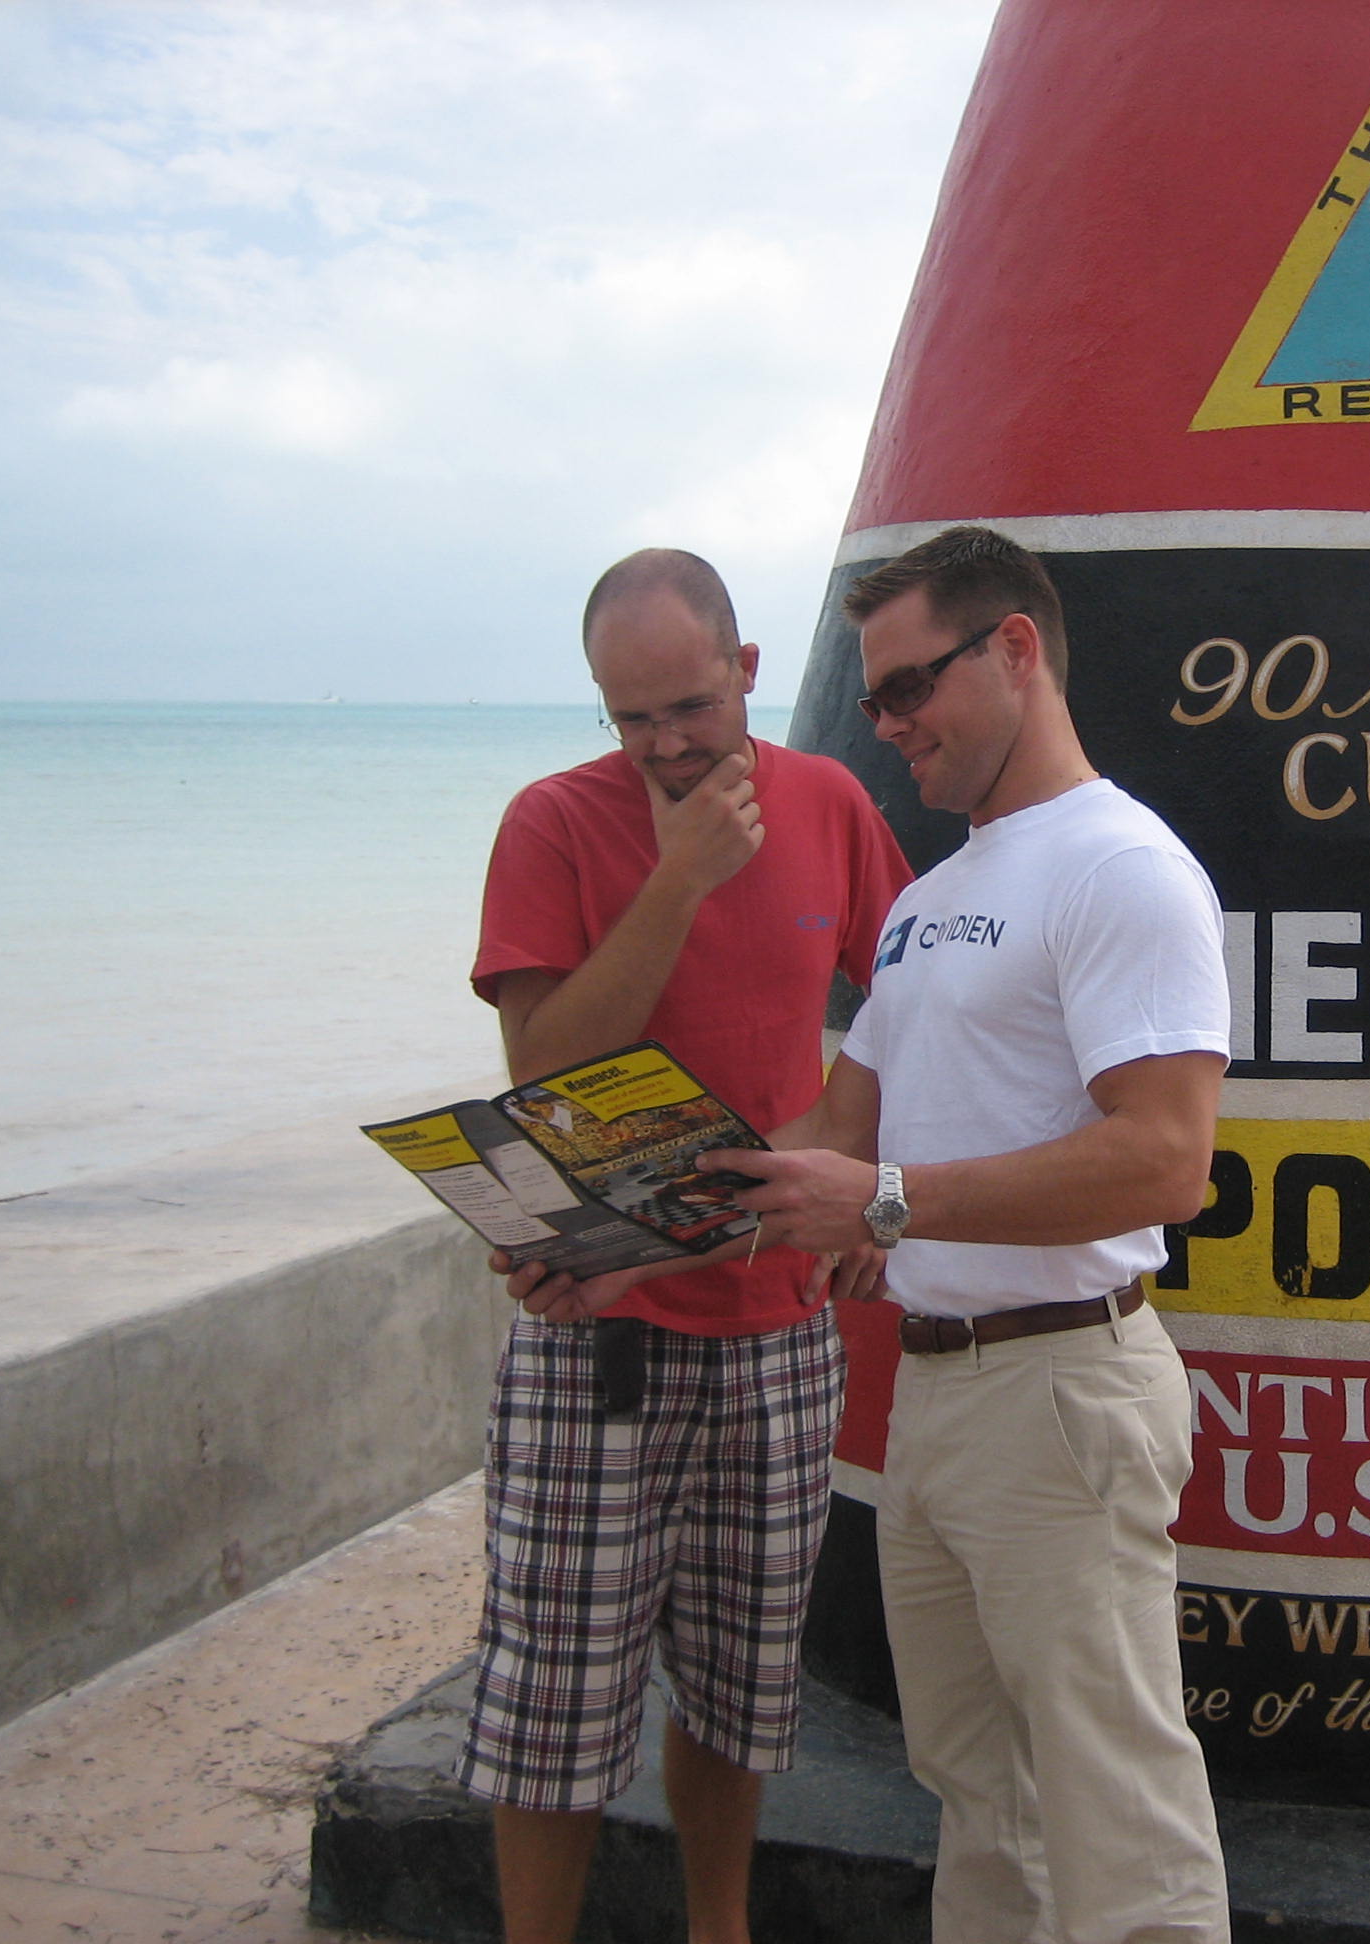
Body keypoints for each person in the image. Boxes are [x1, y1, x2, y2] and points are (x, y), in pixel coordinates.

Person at [514, 526, 1235, 1944]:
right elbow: (826, 1148)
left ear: (1016, 650)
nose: (890, 722)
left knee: (1118, 1817)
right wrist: (618, 1248)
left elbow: (1169, 1159)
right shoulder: (932, 902)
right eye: (878, 696)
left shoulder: (1119, 867)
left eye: (915, 688)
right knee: (978, 1797)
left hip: (1066, 1390)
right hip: (939, 1399)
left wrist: (895, 1208)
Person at [463, 548, 910, 1944]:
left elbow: (916, 1005)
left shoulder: (831, 802)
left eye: (689, 710)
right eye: (631, 718)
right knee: (555, 1697)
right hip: (597, 1333)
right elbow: (539, 1069)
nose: (664, 746)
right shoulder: (552, 824)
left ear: (748, 674)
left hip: (776, 1329)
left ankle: (721, 1931)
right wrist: (678, 880)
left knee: (740, 1686)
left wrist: (866, 1188)